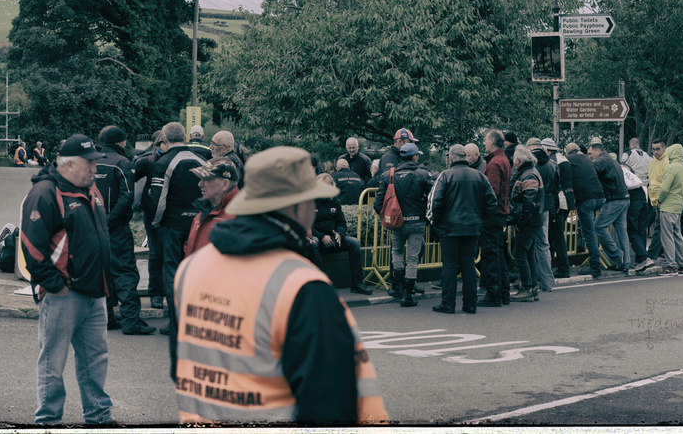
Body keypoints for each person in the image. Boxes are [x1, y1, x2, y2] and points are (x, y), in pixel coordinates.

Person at [171, 146, 388, 425]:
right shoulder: (301, 286)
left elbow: (182, 366)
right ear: (297, 207)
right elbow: (329, 405)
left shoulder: (191, 269)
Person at [21, 134, 115, 425]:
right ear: (69, 164)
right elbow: (31, 248)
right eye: (89, 164)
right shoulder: (45, 193)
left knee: (95, 359)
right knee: (53, 361)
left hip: (94, 292)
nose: (94, 169)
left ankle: (99, 416)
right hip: (64, 294)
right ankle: (48, 421)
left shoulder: (91, 190)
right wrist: (56, 287)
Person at [93, 126, 153, 336]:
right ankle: (130, 322)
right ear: (120, 142)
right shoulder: (122, 163)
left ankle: (106, 318)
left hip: (92, 229)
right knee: (125, 273)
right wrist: (110, 221)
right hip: (115, 229)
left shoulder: (90, 161)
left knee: (102, 273)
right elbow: (127, 197)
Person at [148, 122, 207, 332]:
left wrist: (155, 222)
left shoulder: (164, 162)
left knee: (172, 272)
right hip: (197, 224)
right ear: (185, 136)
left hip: (172, 224)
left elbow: (158, 199)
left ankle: (176, 324)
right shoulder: (201, 159)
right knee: (194, 272)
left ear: (164, 138)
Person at [429, 144, 497, 314]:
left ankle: (448, 304)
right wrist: (481, 220)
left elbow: (434, 202)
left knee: (450, 265)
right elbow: (492, 203)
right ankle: (470, 304)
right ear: (466, 157)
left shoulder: (445, 175)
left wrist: (435, 223)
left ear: (451, 158)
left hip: (449, 228)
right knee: (468, 264)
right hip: (473, 228)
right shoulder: (480, 176)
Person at [374, 142, 431, 303]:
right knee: (412, 258)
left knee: (397, 253)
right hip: (417, 221)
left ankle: (397, 288)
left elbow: (378, 204)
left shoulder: (388, 175)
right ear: (414, 157)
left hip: (397, 222)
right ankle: (408, 294)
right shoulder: (423, 175)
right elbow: (431, 201)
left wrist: (388, 217)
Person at [476, 130, 512, 307]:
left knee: (490, 255)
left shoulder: (494, 162)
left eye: (485, 140)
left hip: (492, 215)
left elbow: (491, 192)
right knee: (498, 254)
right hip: (500, 214)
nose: (484, 143)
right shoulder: (503, 159)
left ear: (491, 140)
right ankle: (503, 293)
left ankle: (493, 294)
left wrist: (484, 211)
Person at [132, 130, 167, 310]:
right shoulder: (158, 159)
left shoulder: (146, 159)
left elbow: (132, 178)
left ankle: (156, 295)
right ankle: (165, 294)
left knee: (155, 253)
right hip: (166, 212)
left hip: (151, 210)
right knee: (168, 253)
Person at [508, 145, 545, 302]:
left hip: (529, 221)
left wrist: (521, 222)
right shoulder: (530, 172)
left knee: (520, 255)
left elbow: (529, 203)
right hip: (534, 220)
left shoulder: (528, 175)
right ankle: (532, 288)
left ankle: (526, 288)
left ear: (518, 160)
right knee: (529, 255)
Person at [182, 157, 240, 257]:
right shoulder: (202, 214)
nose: (199, 184)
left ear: (225, 184)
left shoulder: (238, 218)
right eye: (200, 179)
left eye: (206, 179)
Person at [590, 142, 632, 271]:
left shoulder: (600, 160)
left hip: (614, 199)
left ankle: (616, 254)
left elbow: (590, 174)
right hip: (624, 198)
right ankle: (625, 263)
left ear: (598, 151)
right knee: (621, 231)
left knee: (599, 226)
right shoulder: (611, 160)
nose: (590, 156)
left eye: (590, 153)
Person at [566, 142, 606, 276]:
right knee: (589, 230)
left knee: (588, 233)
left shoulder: (569, 160)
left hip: (585, 200)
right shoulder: (587, 159)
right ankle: (595, 258)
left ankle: (595, 265)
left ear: (567, 152)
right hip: (599, 198)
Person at [651, 144, 683, 276]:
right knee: (678, 236)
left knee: (667, 236)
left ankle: (671, 266)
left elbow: (664, 188)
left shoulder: (671, 168)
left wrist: (659, 201)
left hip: (667, 206)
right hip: (678, 206)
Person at [526, 138, 557, 291]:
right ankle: (547, 282)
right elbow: (556, 186)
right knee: (543, 244)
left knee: (528, 244)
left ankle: (530, 280)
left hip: (533, 206)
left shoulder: (532, 164)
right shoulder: (552, 163)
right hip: (546, 206)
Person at [544, 139, 572, 278]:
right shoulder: (563, 158)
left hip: (559, 200)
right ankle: (560, 266)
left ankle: (563, 268)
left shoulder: (552, 161)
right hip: (567, 199)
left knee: (557, 235)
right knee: (558, 234)